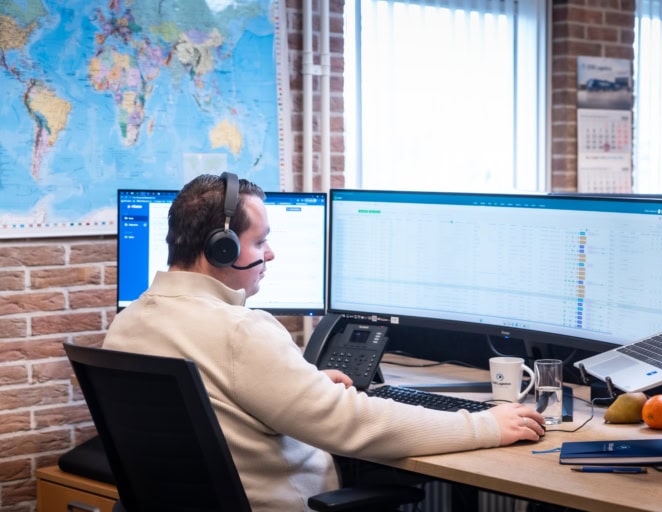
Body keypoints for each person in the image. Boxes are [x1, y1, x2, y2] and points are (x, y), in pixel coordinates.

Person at [103, 173, 546, 512]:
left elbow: (224, 402)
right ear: (222, 248)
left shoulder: (128, 324)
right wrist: (486, 424)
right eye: (261, 241)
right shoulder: (242, 330)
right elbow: (355, 424)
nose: (270, 254)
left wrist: (303, 383)